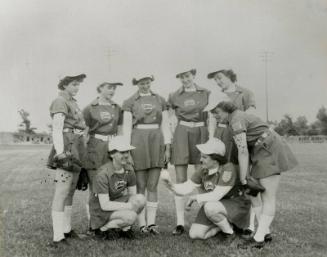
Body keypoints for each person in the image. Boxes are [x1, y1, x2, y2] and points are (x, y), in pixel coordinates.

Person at [212, 100, 298, 249]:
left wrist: (243, 178)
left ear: (226, 110)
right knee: (253, 193)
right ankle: (265, 233)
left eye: (216, 112)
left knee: (268, 197)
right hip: (260, 150)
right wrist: (245, 178)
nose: (214, 116)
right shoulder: (233, 119)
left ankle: (259, 239)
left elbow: (243, 151)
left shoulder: (236, 119)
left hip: (268, 148)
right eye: (212, 113)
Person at [162, 138, 251, 241]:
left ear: (215, 159)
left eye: (205, 157)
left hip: (236, 204)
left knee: (210, 207)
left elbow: (217, 195)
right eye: (201, 156)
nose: (200, 160)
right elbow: (186, 187)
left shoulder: (228, 168)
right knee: (195, 234)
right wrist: (170, 185)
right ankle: (222, 227)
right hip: (216, 205)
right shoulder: (203, 169)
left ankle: (229, 233)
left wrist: (195, 197)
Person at [207, 69, 261, 235]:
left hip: (239, 134)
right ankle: (225, 218)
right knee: (225, 174)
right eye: (215, 79)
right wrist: (211, 139)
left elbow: (249, 116)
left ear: (230, 76)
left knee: (243, 176)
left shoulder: (245, 93)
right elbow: (212, 119)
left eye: (220, 77)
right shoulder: (215, 94)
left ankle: (248, 224)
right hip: (221, 135)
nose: (218, 81)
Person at [122, 75, 171, 234]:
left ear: (151, 82)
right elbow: (127, 129)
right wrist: (127, 151)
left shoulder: (160, 100)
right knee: (140, 185)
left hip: (157, 140)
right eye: (141, 83)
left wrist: (167, 147)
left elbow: (165, 125)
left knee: (153, 185)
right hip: (138, 142)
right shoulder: (130, 102)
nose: (145, 85)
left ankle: (151, 224)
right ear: (137, 83)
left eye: (147, 82)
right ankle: (142, 224)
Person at [47, 74, 88, 247]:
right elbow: (57, 129)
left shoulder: (72, 101)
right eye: (73, 84)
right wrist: (60, 152)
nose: (77, 87)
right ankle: (58, 237)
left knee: (71, 190)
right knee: (62, 191)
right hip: (67, 145)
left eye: (78, 84)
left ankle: (66, 229)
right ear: (64, 85)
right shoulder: (60, 100)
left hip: (77, 145)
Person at [168, 69, 210, 235]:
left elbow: (211, 116)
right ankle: (180, 223)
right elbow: (169, 118)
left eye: (187, 76)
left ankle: (206, 217)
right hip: (181, 132)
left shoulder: (206, 92)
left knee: (203, 175)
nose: (185, 79)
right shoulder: (174, 95)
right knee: (180, 177)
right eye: (181, 76)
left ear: (193, 75)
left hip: (201, 132)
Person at [83, 81, 124, 229]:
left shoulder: (117, 108)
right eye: (109, 87)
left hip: (112, 147)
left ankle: (110, 223)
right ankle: (94, 225)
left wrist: (120, 150)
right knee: (95, 186)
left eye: (114, 88)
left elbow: (120, 131)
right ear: (100, 87)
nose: (112, 91)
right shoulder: (89, 108)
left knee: (111, 184)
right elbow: (85, 133)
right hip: (95, 147)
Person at [89, 136, 146, 239]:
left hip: (116, 203)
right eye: (122, 152)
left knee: (140, 199)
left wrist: (131, 205)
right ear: (112, 154)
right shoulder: (103, 174)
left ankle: (125, 229)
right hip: (100, 211)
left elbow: (132, 195)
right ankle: (102, 229)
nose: (126, 155)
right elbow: (105, 205)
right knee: (131, 216)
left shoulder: (129, 169)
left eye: (127, 152)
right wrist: (129, 207)